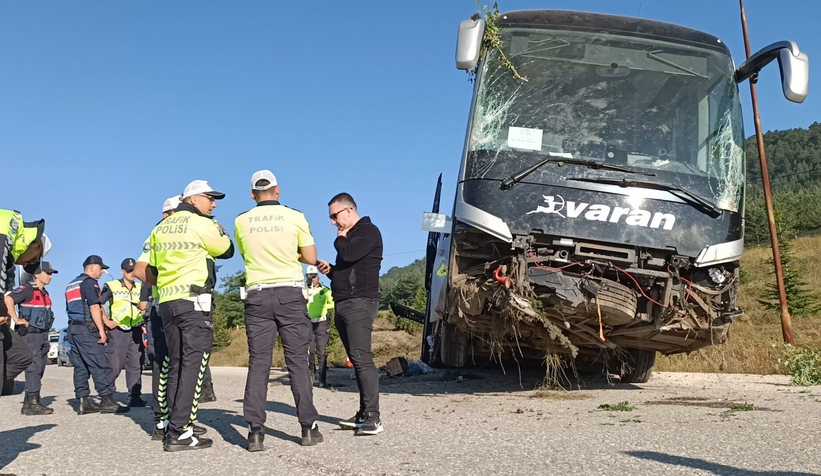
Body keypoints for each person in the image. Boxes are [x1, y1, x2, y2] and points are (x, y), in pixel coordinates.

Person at [234, 170, 323, 451]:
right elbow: (310, 257)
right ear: (278, 190)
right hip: (289, 293)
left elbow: (247, 254)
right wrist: (290, 251)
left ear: (252, 194)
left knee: (259, 363)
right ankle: (308, 428)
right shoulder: (294, 216)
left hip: (257, 294)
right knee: (297, 361)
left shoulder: (241, 221)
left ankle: (255, 432)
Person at [148, 180, 233, 451]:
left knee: (176, 365)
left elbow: (149, 269)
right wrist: (220, 231)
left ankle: (171, 424)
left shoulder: (160, 227)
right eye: (210, 198)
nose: (214, 203)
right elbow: (227, 251)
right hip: (194, 302)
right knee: (193, 369)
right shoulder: (202, 224)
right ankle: (180, 432)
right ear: (194, 199)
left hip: (168, 303)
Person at [317, 193, 383, 435]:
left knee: (361, 357)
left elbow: (349, 254)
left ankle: (373, 418)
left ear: (349, 210)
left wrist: (340, 240)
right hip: (344, 302)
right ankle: (364, 412)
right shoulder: (349, 238)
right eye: (331, 218)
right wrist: (331, 271)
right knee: (356, 360)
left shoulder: (367, 231)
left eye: (335, 216)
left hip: (360, 303)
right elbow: (347, 267)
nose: (333, 222)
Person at [65, 255, 129, 415]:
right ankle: (106, 400)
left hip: (74, 329)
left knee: (81, 367)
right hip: (87, 330)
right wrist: (101, 330)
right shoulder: (90, 283)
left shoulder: (72, 284)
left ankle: (82, 402)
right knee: (100, 363)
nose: (102, 272)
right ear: (92, 267)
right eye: (101, 269)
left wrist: (105, 322)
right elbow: (94, 307)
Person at [1, 210, 47, 400]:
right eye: (32, 260)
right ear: (36, 245)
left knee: (22, 356)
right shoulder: (10, 224)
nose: (25, 262)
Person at [4, 261, 57, 414]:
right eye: (47, 273)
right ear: (37, 274)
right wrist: (16, 319)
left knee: (39, 367)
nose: (50, 277)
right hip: (31, 334)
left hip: (43, 334)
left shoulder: (45, 293)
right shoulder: (27, 289)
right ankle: (32, 403)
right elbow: (9, 299)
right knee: (33, 367)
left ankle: (30, 400)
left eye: (51, 274)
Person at [101, 258, 146, 407]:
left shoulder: (141, 287)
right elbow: (97, 304)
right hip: (118, 330)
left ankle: (134, 396)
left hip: (136, 330)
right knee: (114, 365)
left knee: (135, 364)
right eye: (128, 271)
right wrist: (106, 321)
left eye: (134, 271)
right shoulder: (111, 286)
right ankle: (107, 395)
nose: (132, 273)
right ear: (122, 271)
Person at [303, 265, 334, 388]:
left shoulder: (325, 290)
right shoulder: (304, 291)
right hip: (308, 323)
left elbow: (332, 304)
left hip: (321, 323)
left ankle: (322, 378)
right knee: (310, 350)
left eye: (314, 276)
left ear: (318, 277)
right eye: (310, 277)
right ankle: (311, 374)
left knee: (321, 351)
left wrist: (323, 308)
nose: (312, 279)